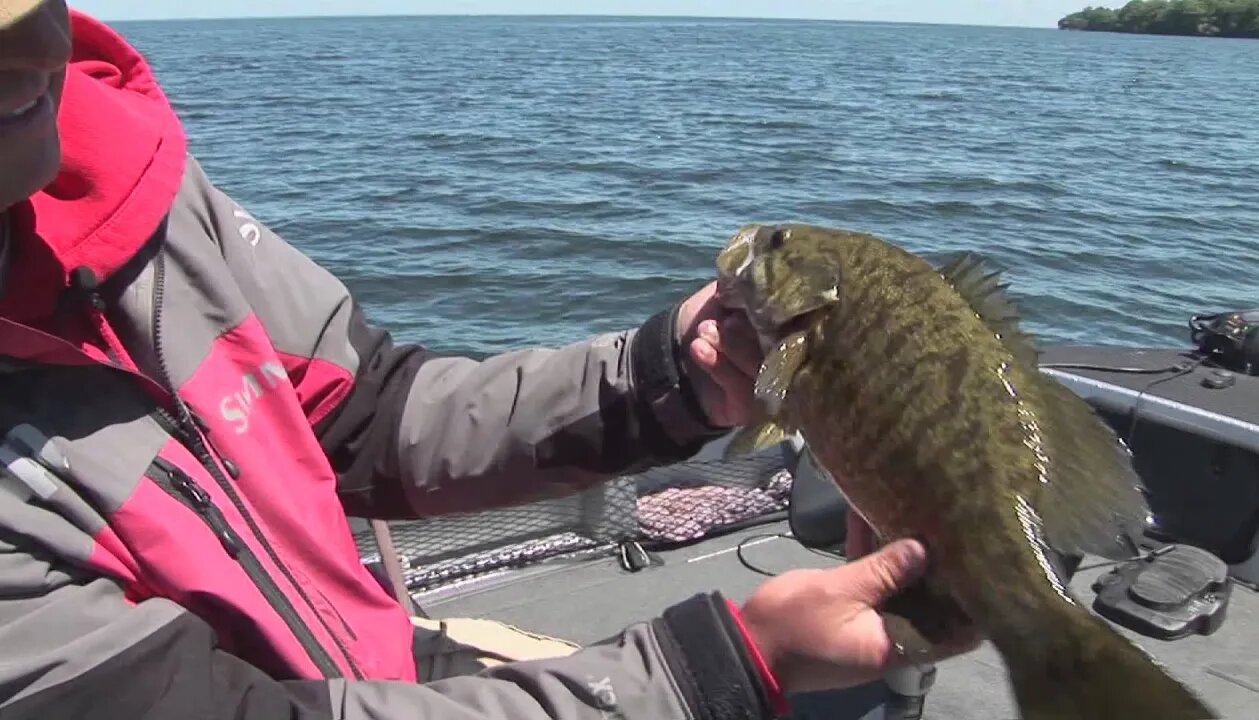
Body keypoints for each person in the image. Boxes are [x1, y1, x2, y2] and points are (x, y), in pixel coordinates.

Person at [0, 2, 976, 718]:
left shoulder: (118, 186)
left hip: (380, 674)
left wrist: (662, 381)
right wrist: (717, 669)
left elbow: (367, 413)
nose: (51, 44)